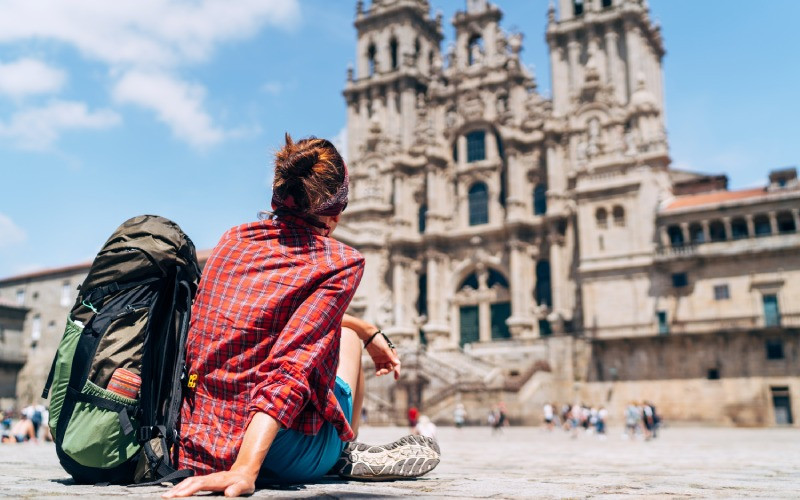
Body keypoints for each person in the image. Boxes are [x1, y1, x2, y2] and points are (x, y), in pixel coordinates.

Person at [165, 134, 439, 498]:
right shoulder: (339, 262)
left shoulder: (232, 239)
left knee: (350, 331)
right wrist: (245, 469)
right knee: (348, 339)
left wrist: (364, 323)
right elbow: (290, 367)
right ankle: (342, 449)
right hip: (276, 454)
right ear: (336, 212)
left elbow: (259, 324)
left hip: (198, 438)